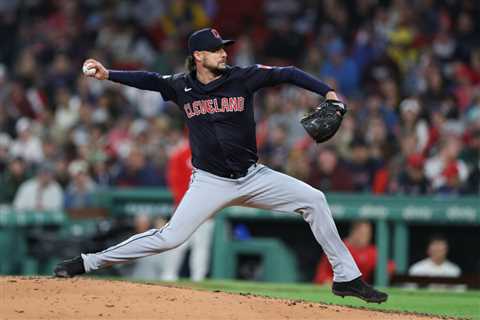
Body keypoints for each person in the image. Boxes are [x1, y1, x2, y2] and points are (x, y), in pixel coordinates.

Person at [54, 28, 387, 303]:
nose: (224, 54)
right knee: (170, 238)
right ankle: (87, 262)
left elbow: (288, 73)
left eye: (223, 48)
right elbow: (149, 79)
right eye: (215, 50)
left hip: (253, 176)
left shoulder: (243, 78)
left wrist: (327, 92)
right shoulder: (181, 85)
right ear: (198, 56)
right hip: (210, 182)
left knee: (314, 199)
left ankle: (346, 278)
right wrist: (109, 74)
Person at [314, 221, 395, 285]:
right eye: (362, 233)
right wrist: (330, 282)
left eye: (368, 234)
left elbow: (390, 266)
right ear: (353, 232)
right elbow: (321, 275)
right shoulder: (337, 248)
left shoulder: (371, 252)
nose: (365, 237)